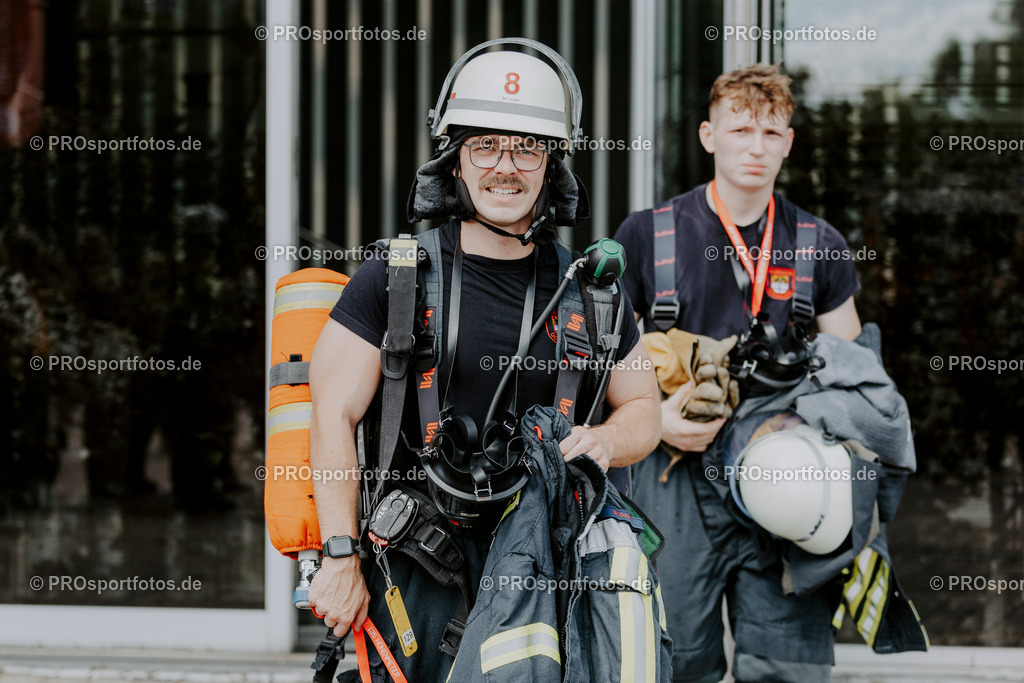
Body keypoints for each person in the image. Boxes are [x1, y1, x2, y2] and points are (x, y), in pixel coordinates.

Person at [307, 39, 661, 682]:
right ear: (455, 160)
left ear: (552, 164)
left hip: (549, 568)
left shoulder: (591, 293)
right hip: (415, 564)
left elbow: (643, 408)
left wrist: (608, 441)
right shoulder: (395, 279)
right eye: (485, 145)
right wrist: (338, 557)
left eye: (527, 147)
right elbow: (333, 415)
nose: (506, 166)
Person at [614, 63, 862, 682]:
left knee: (786, 664)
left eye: (771, 132)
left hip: (786, 473)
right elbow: (606, 360)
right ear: (709, 135)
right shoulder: (647, 236)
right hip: (673, 476)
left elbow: (855, 377)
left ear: (789, 143)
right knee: (673, 661)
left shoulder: (820, 244)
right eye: (740, 129)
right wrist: (655, 418)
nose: (756, 147)